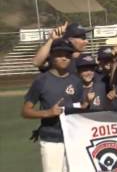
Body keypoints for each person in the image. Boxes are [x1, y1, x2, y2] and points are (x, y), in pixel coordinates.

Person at [22, 38, 83, 172]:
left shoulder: (76, 81)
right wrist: (48, 112)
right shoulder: (41, 81)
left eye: (67, 55)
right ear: (51, 55)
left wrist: (85, 106)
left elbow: (79, 107)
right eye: (60, 54)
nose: (64, 58)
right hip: (51, 139)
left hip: (73, 139)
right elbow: (25, 111)